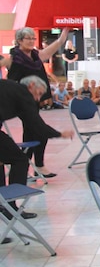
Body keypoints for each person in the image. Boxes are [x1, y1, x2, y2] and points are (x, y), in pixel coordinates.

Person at [0, 26, 69, 178]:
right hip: (18, 100)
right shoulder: (14, 57)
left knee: (32, 131)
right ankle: (34, 165)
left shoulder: (36, 56)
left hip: (33, 99)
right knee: (37, 130)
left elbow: (50, 50)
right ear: (19, 41)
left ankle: (30, 165)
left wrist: (61, 39)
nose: (32, 41)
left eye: (33, 38)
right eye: (28, 38)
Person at [0, 77, 73, 219]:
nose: (38, 98)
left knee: (2, 157)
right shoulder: (24, 93)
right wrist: (60, 134)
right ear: (31, 85)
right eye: (38, 93)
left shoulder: (10, 88)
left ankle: (4, 205)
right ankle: (10, 207)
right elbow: (37, 126)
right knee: (20, 160)